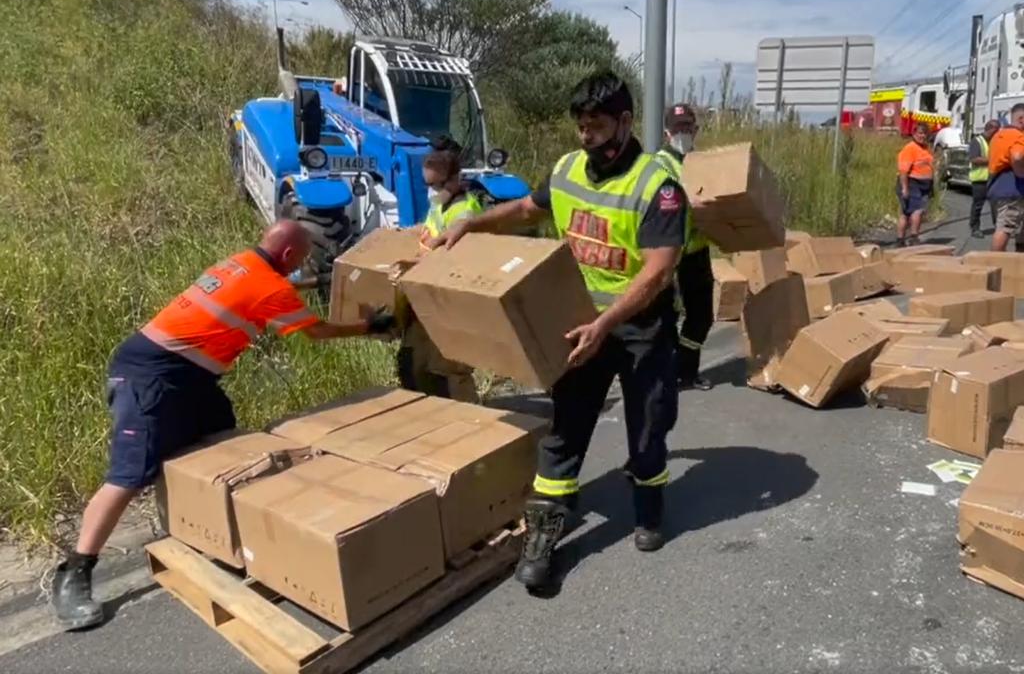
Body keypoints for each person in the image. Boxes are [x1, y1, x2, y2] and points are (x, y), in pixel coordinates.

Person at [52, 220, 395, 630]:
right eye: (301, 260)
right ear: (287, 255)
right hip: (152, 376)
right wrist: (369, 326)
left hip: (189, 377)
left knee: (224, 444)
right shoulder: (270, 287)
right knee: (129, 474)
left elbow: (263, 292)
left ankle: (212, 532)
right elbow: (314, 332)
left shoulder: (238, 265)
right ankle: (76, 572)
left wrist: (315, 282)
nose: (301, 266)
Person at [430, 71, 684, 590]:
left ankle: (649, 510)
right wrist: (471, 223)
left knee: (648, 427)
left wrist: (607, 322)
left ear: (625, 122)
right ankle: (544, 535)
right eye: (581, 126)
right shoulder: (569, 169)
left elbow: (658, 270)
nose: (585, 136)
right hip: (577, 323)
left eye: (595, 126)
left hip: (640, 328)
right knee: (565, 428)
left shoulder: (658, 186)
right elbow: (529, 209)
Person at [395, 139, 483, 402]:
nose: (433, 191)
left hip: (454, 296)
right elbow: (428, 233)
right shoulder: (439, 205)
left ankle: (470, 421)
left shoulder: (465, 212)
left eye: (438, 184)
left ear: (455, 179)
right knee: (417, 361)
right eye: (428, 185)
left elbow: (454, 256)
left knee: (451, 366)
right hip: (429, 293)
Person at [656, 103, 713, 391]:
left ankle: (686, 369)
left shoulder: (702, 162)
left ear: (696, 130)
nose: (683, 133)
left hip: (697, 251)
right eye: (677, 128)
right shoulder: (660, 164)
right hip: (669, 252)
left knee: (702, 314)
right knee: (666, 317)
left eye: (687, 127)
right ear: (667, 132)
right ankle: (668, 372)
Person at [986, 103, 1024, 252]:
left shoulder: (998, 136)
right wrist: (1021, 173)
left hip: (997, 188)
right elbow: (1016, 156)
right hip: (1012, 190)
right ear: (1021, 119)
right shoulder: (1018, 136)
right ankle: (993, 265)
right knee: (1005, 228)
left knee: (1017, 229)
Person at [896, 123, 935, 246]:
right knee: (916, 211)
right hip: (912, 183)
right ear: (914, 134)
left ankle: (900, 239)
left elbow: (929, 166)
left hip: (924, 185)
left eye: (924, 133)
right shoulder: (910, 148)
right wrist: (905, 188)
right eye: (920, 133)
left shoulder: (925, 148)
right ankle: (914, 237)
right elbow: (903, 171)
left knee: (907, 213)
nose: (922, 136)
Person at [968, 120, 1000, 238]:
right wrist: (993, 160)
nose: (998, 133)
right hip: (979, 179)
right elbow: (974, 159)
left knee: (996, 204)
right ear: (990, 128)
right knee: (978, 205)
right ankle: (975, 227)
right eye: (996, 130)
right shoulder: (977, 141)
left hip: (993, 178)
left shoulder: (994, 141)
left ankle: (998, 227)